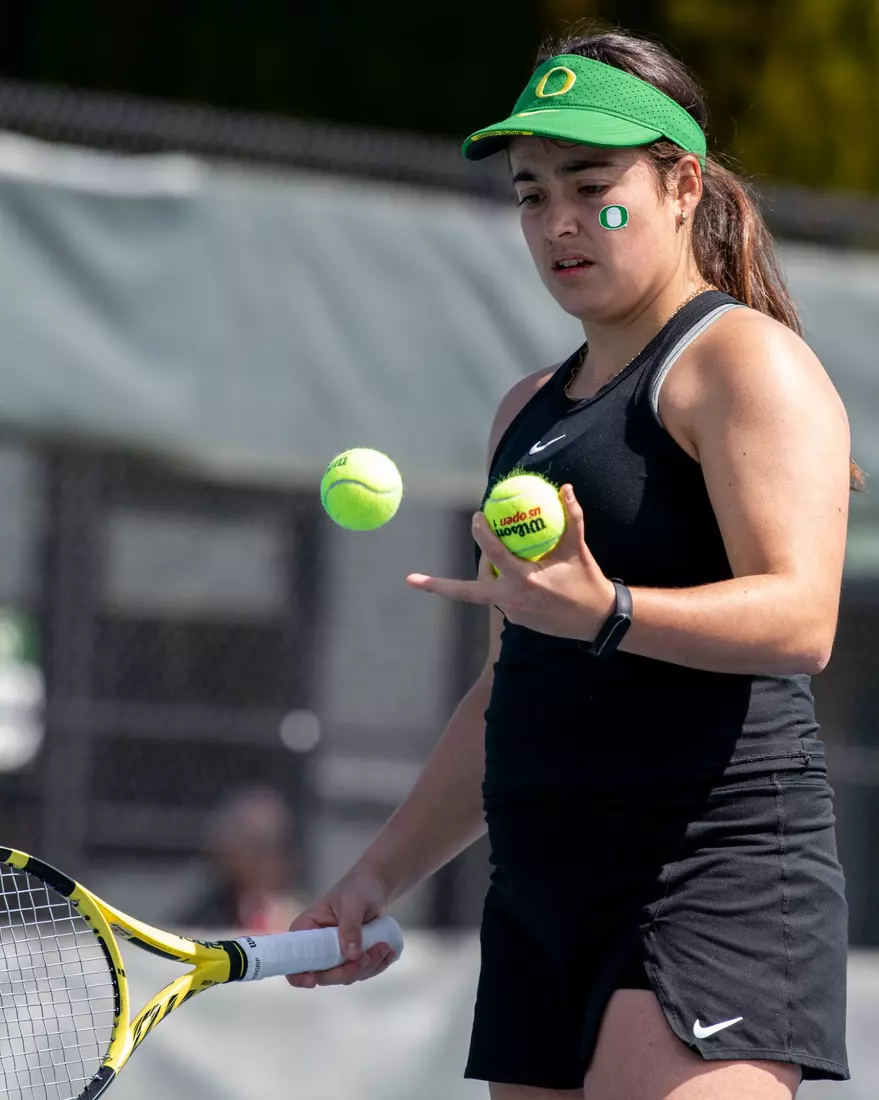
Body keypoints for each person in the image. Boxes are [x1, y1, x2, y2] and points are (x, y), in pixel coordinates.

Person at [287, 27, 860, 1100]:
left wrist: (610, 606)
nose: (557, 222)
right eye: (529, 193)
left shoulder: (742, 361)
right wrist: (378, 870)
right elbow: (516, 679)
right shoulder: (527, 412)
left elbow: (802, 617)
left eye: (592, 186)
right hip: (544, 897)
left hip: (709, 878)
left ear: (682, 184)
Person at [177, 786, 297, 932]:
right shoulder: (205, 921)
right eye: (256, 848)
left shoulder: (297, 915)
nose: (268, 862)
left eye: (279, 845)